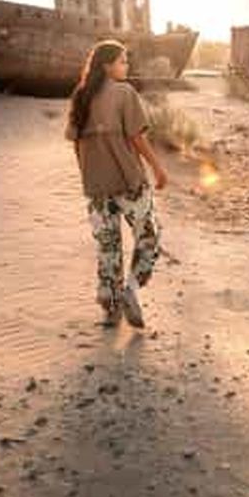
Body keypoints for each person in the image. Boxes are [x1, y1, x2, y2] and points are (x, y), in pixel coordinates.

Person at [66, 40, 168, 328]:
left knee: (108, 246)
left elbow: (76, 143)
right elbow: (137, 138)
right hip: (129, 181)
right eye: (123, 61)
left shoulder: (81, 96)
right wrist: (158, 168)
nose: (127, 66)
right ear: (107, 65)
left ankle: (110, 307)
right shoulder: (125, 93)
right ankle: (130, 292)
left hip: (96, 187)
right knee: (149, 237)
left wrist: (89, 173)